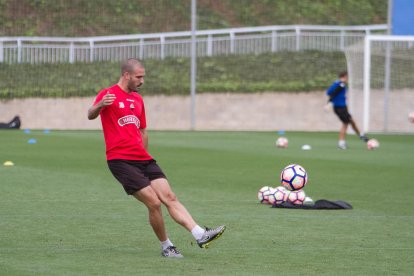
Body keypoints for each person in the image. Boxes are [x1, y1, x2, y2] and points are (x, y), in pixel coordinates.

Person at [88, 58, 225, 258]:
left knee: (169, 197)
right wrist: (100, 104)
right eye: (139, 76)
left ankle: (200, 234)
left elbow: (143, 130)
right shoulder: (108, 94)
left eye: (143, 76)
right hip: (120, 161)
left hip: (143, 159)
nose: (142, 80)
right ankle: (167, 246)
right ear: (126, 75)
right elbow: (90, 114)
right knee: (154, 202)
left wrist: (144, 154)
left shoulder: (137, 99)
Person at [326, 71, 369, 149]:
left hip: (343, 107)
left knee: (352, 121)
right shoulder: (339, 84)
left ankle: (361, 136)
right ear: (344, 76)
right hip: (339, 108)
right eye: (347, 77)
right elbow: (330, 92)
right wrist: (329, 102)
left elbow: (333, 93)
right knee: (345, 123)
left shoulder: (340, 84)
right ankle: (341, 144)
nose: (347, 79)